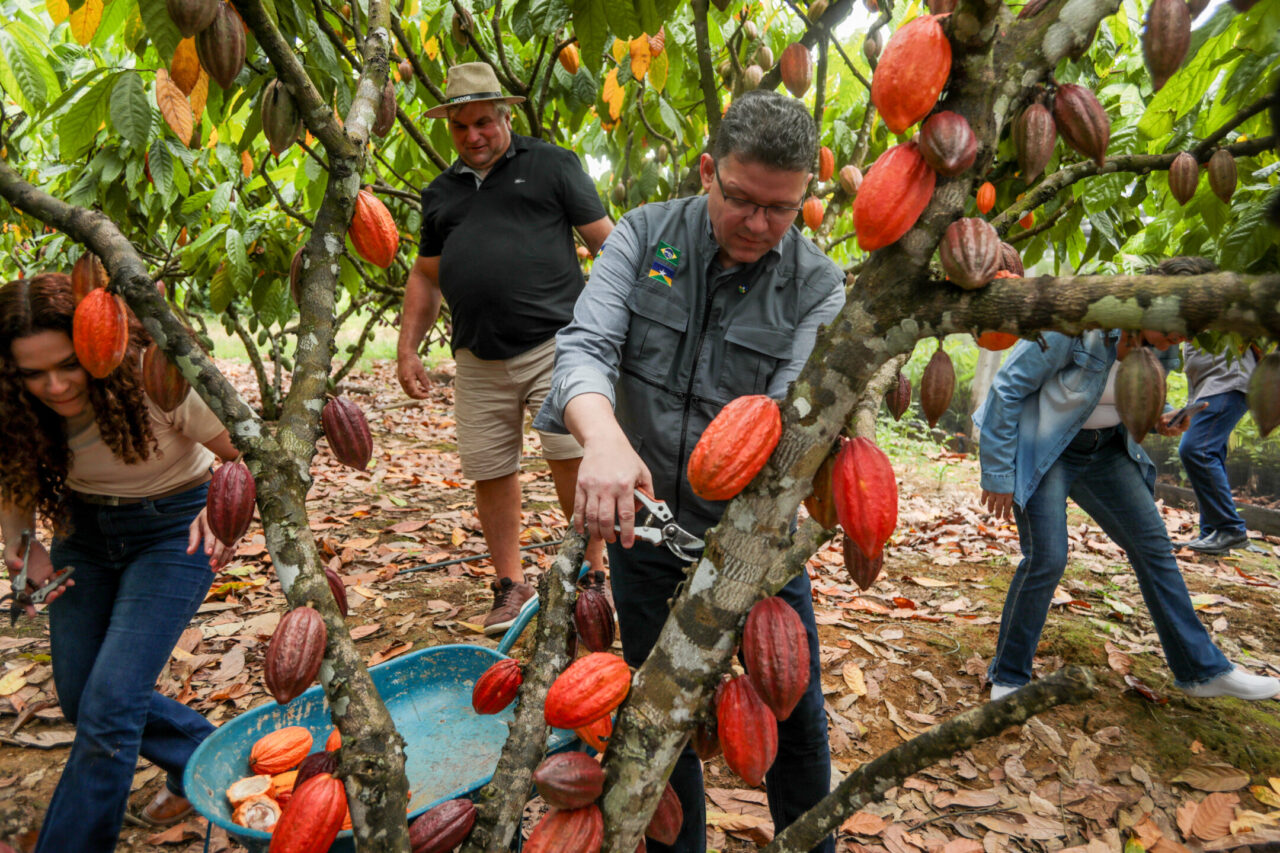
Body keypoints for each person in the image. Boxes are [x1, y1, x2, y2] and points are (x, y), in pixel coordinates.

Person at [534, 90, 845, 853]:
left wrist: (744, 547)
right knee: (657, 720)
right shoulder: (643, 236)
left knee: (794, 718)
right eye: (741, 198)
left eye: (782, 208)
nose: (759, 223)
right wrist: (603, 439)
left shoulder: (818, 285)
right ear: (708, 170)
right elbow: (584, 349)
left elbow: (787, 431)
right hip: (645, 532)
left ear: (805, 195)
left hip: (754, 545)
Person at [0, 273, 243, 851]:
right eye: (33, 373)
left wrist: (220, 509)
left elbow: (249, 451)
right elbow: (13, 477)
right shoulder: (13, 406)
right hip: (84, 531)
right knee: (80, 695)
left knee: (109, 703)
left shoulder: (153, 376)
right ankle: (208, 759)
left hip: (174, 529)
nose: (55, 385)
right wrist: (23, 547)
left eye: (68, 364)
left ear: (96, 344)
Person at [396, 62, 613, 634]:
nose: (473, 135)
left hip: (556, 345)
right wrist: (408, 348)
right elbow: (425, 275)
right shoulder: (440, 193)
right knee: (490, 469)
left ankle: (592, 574)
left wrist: (627, 320)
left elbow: (606, 244)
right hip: (476, 356)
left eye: (484, 122)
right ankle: (509, 586)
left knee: (570, 456)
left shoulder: (552, 164)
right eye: (460, 126)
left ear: (505, 117)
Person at [974, 323, 1279, 702]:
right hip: (1045, 446)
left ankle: (1204, 671)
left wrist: (1161, 416)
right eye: (1177, 327)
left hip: (1107, 450)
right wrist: (998, 472)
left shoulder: (1161, 342)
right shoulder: (1075, 326)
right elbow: (1007, 388)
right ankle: (1009, 676)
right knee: (1047, 558)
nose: (1181, 339)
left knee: (1154, 547)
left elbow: (1139, 393)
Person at [1155, 258, 1258, 555]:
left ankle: (1229, 529)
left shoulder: (1219, 300)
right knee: (1210, 450)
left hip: (1228, 382)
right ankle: (1212, 532)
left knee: (1196, 449)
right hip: (1210, 385)